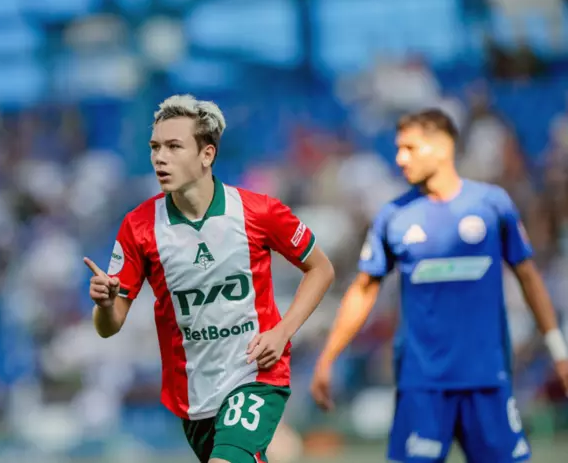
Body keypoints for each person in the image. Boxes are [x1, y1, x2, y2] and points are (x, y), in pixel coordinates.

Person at [84, 94, 335, 463]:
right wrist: (106, 304)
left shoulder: (258, 211)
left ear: (207, 154)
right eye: (155, 147)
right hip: (194, 395)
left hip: (255, 376)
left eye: (174, 146)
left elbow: (321, 268)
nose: (160, 157)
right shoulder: (139, 227)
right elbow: (109, 326)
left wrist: (283, 331)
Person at [310, 109, 568, 463]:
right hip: (422, 386)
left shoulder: (492, 205)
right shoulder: (394, 216)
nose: (400, 158)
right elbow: (364, 289)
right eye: (398, 149)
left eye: (410, 148)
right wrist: (328, 357)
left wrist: (559, 351)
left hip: (486, 381)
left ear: (444, 147)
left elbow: (529, 278)